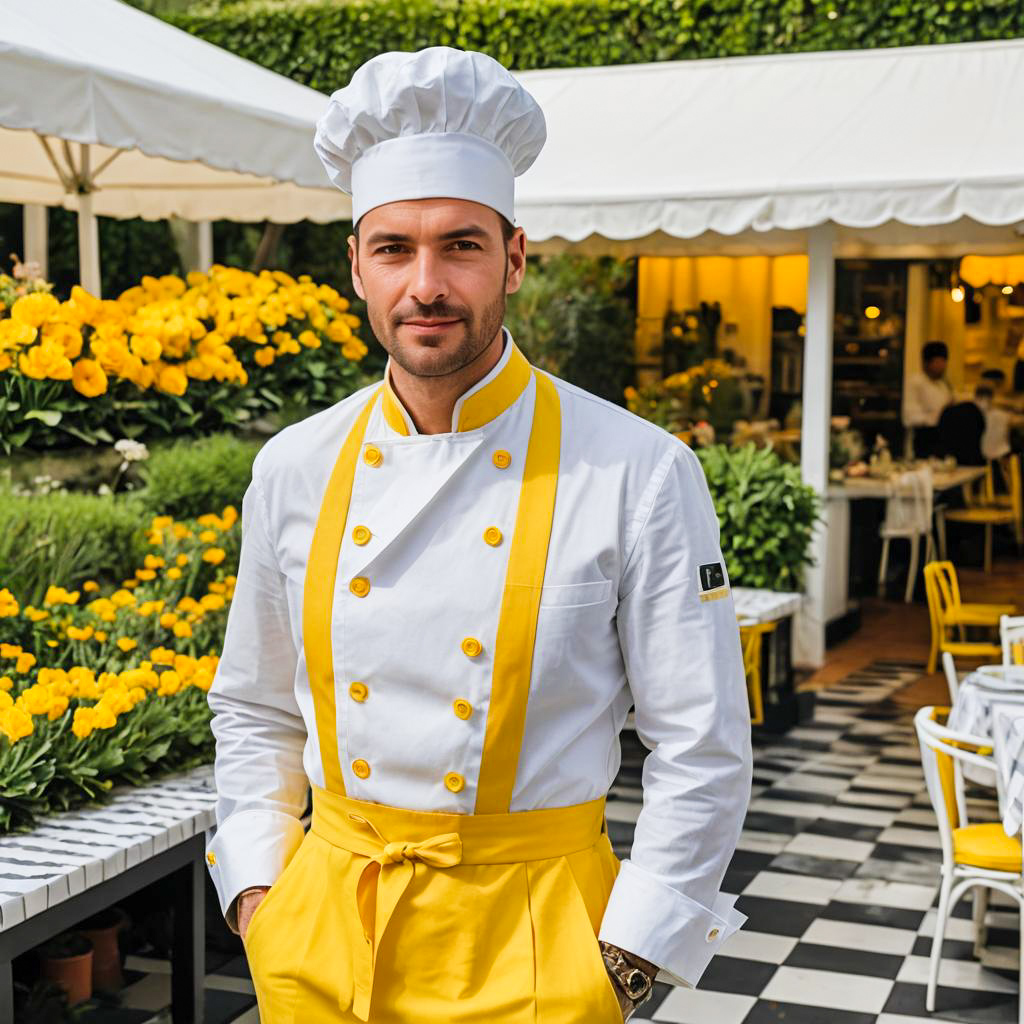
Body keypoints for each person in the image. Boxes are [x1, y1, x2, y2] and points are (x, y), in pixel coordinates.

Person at [202, 46, 752, 1024]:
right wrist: (257, 891)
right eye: (394, 249)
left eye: (460, 245)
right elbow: (253, 706)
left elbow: (700, 742)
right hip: (324, 930)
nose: (427, 284)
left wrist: (628, 960)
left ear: (514, 256)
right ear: (357, 268)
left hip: (538, 947)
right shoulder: (293, 464)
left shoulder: (638, 469)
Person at [904, 340, 953, 458]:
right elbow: (909, 417)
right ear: (926, 362)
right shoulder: (915, 382)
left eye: (944, 361)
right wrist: (937, 417)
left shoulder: (943, 385)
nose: (942, 366)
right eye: (938, 362)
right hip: (923, 439)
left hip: (943, 438)